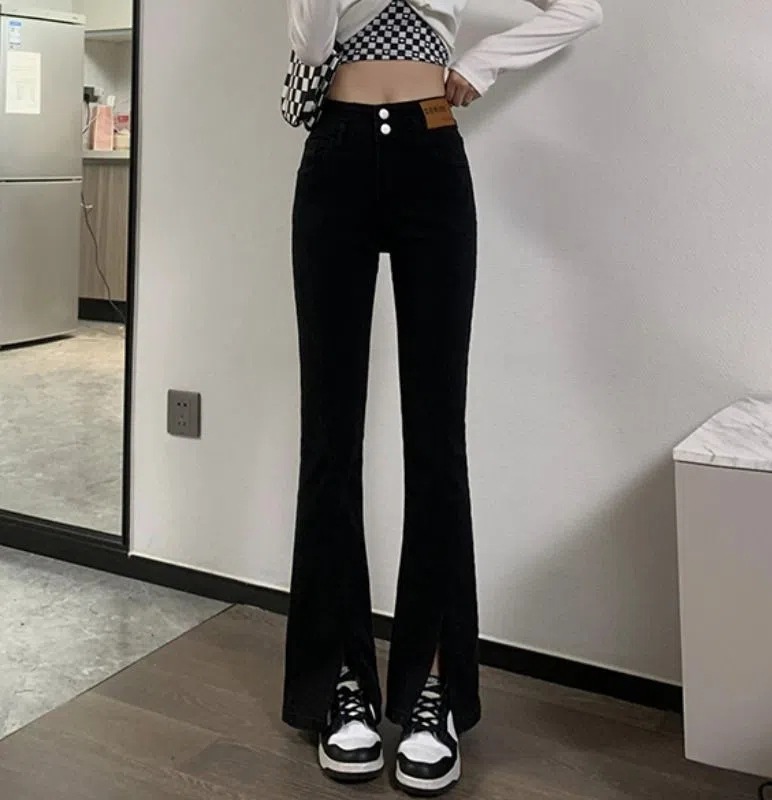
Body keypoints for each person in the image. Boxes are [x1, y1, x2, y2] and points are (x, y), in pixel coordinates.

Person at [282, 0, 603, 794]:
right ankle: (342, 679)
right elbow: (312, 43)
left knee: (435, 440)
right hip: (336, 151)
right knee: (329, 438)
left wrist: (483, 63)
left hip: (431, 151)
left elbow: (582, 9)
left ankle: (433, 687)